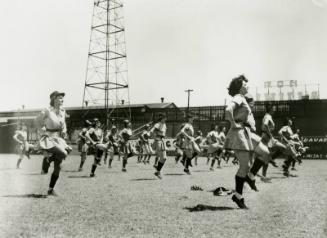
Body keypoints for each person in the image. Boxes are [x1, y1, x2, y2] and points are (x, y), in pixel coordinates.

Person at [224, 75, 269, 209]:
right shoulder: (238, 97)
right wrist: (233, 123)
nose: (247, 86)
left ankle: (250, 177)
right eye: (245, 84)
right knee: (244, 166)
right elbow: (228, 110)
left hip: (246, 132)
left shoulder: (242, 98)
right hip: (239, 133)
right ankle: (238, 196)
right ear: (239, 87)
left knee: (265, 153)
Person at [36, 91, 71, 196]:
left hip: (59, 138)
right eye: (60, 98)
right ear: (54, 99)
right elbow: (37, 121)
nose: (62, 100)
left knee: (58, 167)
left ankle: (50, 189)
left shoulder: (63, 111)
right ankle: (47, 159)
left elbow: (63, 123)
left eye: (62, 98)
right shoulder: (47, 110)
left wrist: (64, 130)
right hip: (49, 137)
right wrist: (42, 130)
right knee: (64, 153)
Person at [152, 113, 167, 179]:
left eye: (164, 118)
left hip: (162, 141)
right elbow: (152, 130)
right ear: (161, 118)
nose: (164, 119)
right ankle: (158, 171)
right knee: (163, 157)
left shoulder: (164, 124)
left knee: (164, 158)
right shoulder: (158, 124)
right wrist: (157, 133)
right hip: (158, 141)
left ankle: (157, 169)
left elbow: (163, 133)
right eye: (163, 118)